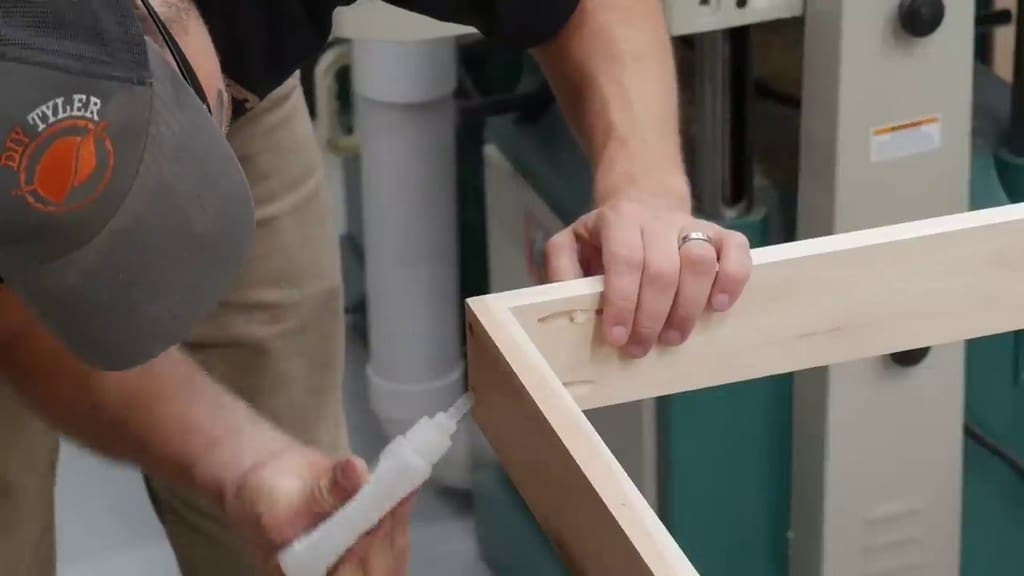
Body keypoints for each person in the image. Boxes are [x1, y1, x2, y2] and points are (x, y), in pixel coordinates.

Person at [0, 2, 753, 576]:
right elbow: (19, 319)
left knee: (302, 506)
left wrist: (646, 186)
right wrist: (239, 463)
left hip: (223, 54)